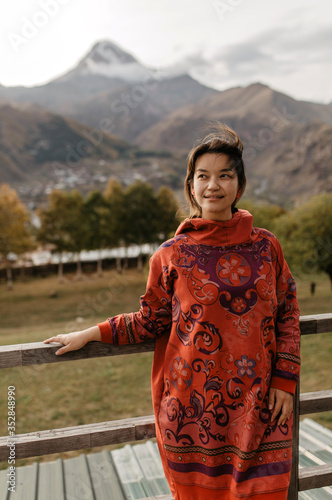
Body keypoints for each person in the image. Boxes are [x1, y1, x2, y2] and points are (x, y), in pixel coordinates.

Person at [44, 123, 301, 500]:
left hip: (260, 406)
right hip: (191, 413)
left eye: (224, 175)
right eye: (203, 176)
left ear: (239, 186)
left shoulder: (267, 247)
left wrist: (285, 381)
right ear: (191, 187)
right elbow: (149, 320)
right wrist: (88, 333)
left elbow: (288, 314)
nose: (213, 185)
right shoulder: (171, 254)